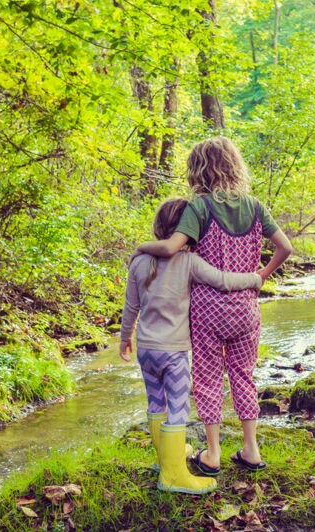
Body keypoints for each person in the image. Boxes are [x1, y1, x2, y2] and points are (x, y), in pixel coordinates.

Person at [136, 136, 293, 476]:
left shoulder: (200, 208)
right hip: (246, 308)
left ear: (199, 170)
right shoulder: (254, 206)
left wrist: (142, 246)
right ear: (234, 166)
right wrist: (262, 274)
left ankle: (213, 453)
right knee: (243, 375)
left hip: (207, 309)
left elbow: (171, 247)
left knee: (207, 378)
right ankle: (251, 449)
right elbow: (286, 247)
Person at [120, 198, 264, 495]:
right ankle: (174, 476)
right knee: (178, 408)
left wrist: (125, 338)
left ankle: (165, 459)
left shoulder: (139, 260)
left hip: (146, 348)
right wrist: (254, 278)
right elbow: (223, 281)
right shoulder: (188, 262)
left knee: (155, 403)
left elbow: (130, 306)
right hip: (173, 353)